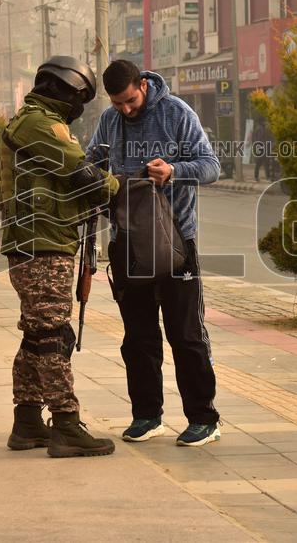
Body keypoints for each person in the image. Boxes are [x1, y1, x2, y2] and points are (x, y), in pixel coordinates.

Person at [90, 59, 222, 447]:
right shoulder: (109, 123)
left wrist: (174, 171)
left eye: (130, 100)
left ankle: (204, 418)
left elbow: (212, 166)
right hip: (128, 245)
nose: (126, 110)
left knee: (185, 334)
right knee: (138, 337)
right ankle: (147, 415)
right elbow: (90, 165)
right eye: (118, 104)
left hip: (176, 244)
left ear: (143, 85)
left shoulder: (176, 113)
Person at [0, 55, 120, 458]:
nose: (79, 106)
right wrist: (119, 185)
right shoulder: (39, 124)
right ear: (62, 90)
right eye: (78, 97)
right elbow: (81, 175)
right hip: (42, 243)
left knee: (37, 335)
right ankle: (65, 424)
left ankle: (28, 421)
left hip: (43, 239)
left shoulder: (40, 123)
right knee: (54, 334)